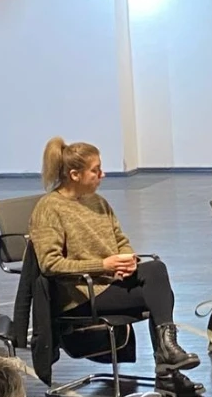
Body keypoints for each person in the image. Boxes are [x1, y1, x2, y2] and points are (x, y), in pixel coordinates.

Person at [28, 138, 200, 376]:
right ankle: (168, 367)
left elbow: (120, 239)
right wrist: (103, 265)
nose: (102, 175)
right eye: (95, 170)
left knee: (155, 270)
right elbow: (50, 264)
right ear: (75, 175)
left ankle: (168, 356)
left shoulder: (99, 202)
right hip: (82, 293)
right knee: (158, 295)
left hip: (109, 282)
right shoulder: (49, 208)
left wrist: (128, 260)